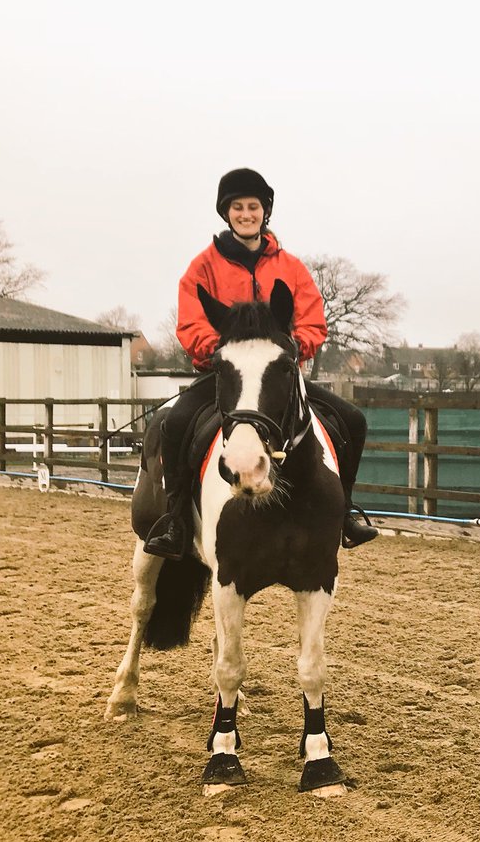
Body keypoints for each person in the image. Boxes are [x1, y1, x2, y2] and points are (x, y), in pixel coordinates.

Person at [143, 167, 378, 559]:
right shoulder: (202, 267)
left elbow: (312, 320)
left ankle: (345, 513)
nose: (245, 214)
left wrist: (293, 347)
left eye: (253, 207)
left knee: (352, 420)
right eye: (237, 207)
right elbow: (191, 321)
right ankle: (176, 520)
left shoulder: (291, 267)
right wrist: (222, 351)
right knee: (173, 424)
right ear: (226, 213)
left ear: (264, 212)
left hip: (278, 378)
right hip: (228, 376)